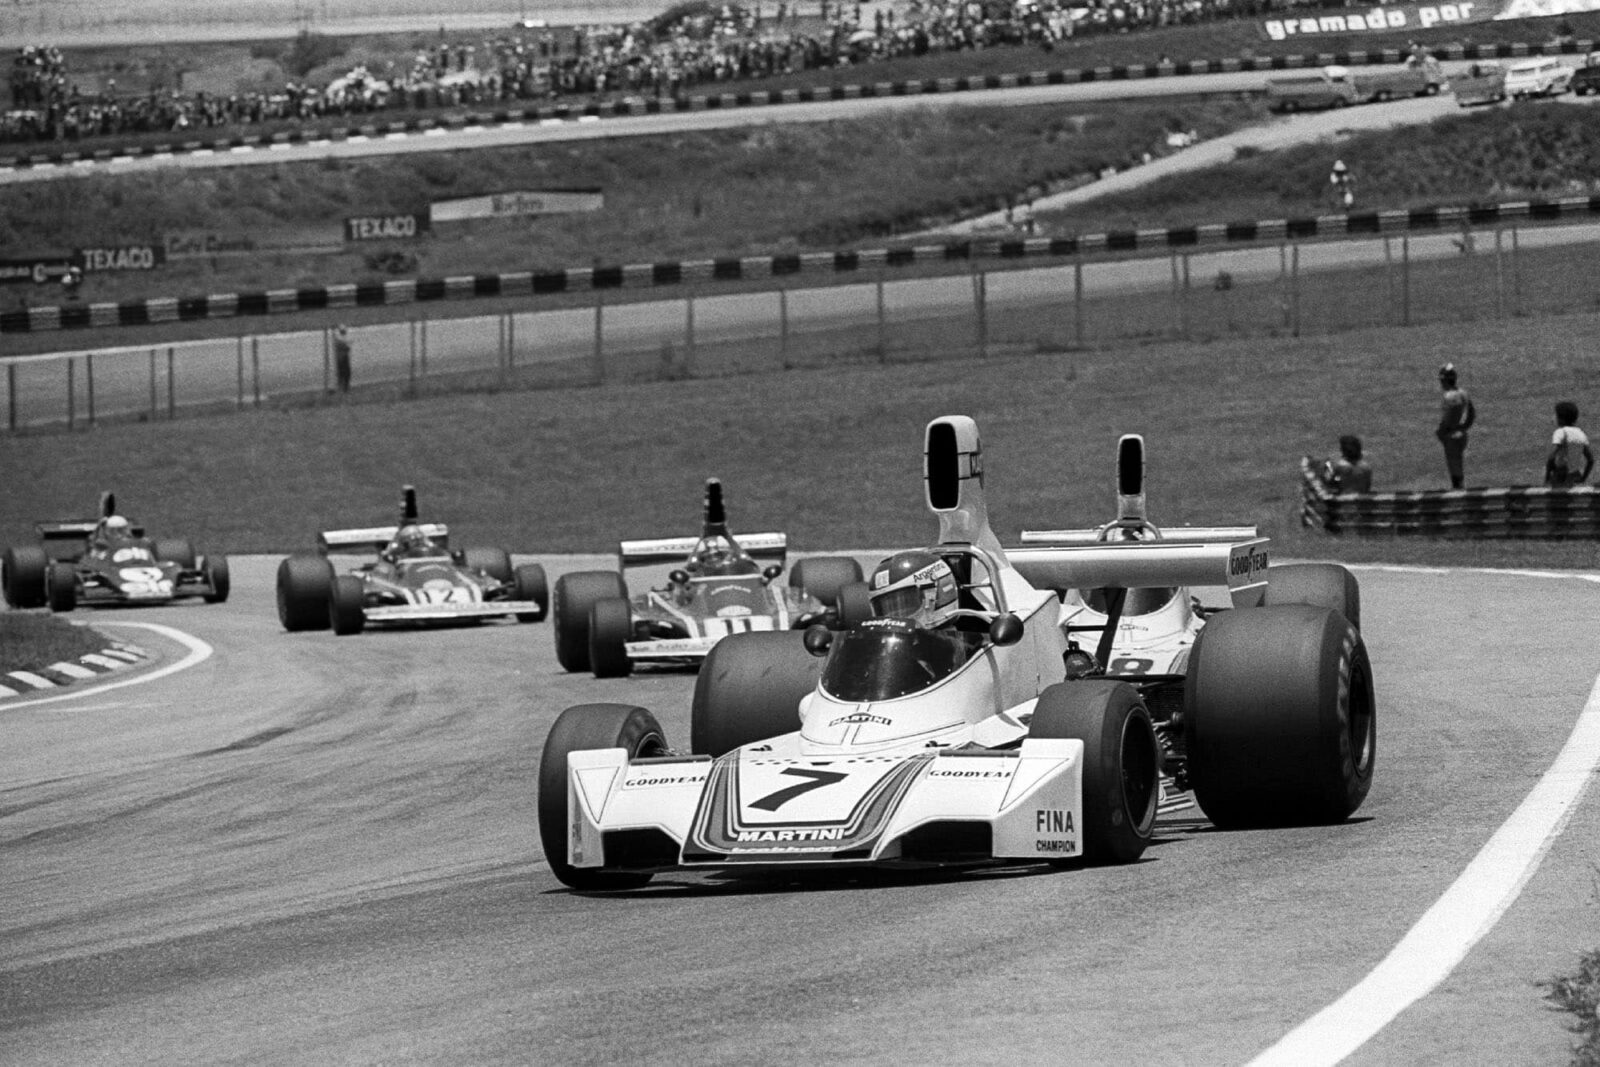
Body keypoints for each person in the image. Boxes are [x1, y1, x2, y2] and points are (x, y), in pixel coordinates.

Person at [868, 550, 960, 629]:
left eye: (908, 604)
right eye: (885, 612)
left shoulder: (960, 644)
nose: (894, 622)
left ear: (933, 596)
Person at [1436, 363, 1475, 489]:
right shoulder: (1464, 393)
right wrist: (1464, 427)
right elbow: (1472, 414)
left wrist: (1442, 431)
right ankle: (1459, 489)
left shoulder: (1449, 396)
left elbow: (1448, 417)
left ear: (1444, 380)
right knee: (1458, 463)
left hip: (1451, 435)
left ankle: (1458, 491)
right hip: (1462, 434)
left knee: (1454, 465)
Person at [1545, 401, 1594, 487]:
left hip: (1560, 476)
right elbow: (1590, 460)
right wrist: (1583, 479)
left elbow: (1552, 456)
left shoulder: (1560, 432)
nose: (1553, 417)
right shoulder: (1581, 433)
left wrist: (1547, 477)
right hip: (1575, 475)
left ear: (1561, 419)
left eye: (1555, 415)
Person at [333, 324, 352, 394]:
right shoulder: (340, 339)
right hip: (342, 357)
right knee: (344, 372)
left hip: (342, 357)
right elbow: (347, 347)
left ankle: (343, 386)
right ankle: (343, 387)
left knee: (343, 372)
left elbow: (348, 347)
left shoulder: (339, 338)